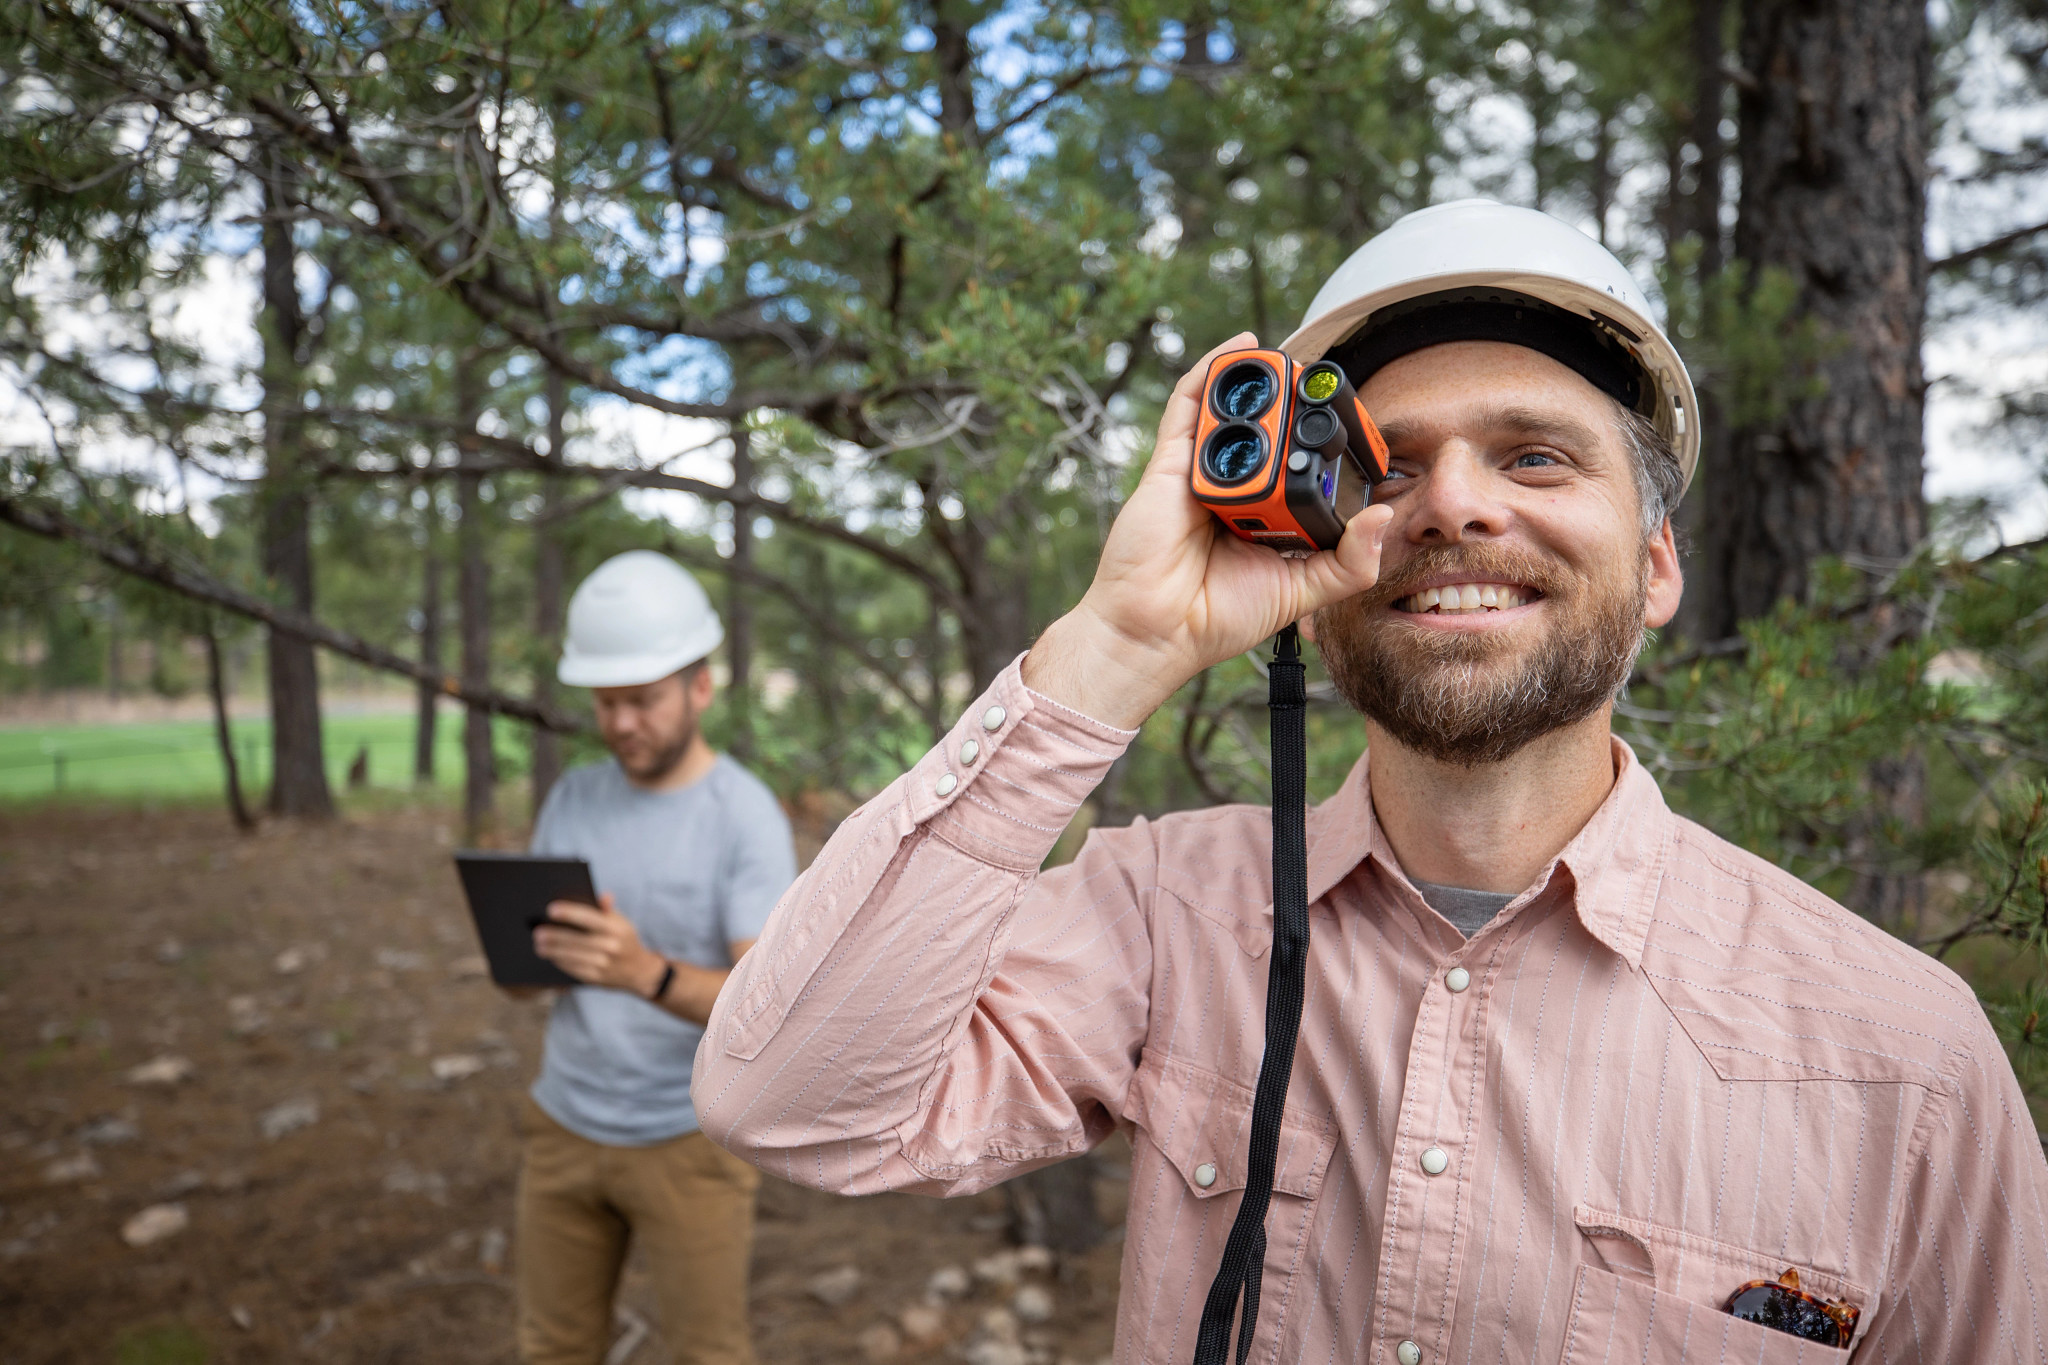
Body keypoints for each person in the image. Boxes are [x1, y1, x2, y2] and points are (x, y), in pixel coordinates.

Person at [693, 200, 2048, 1362]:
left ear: (1656, 569)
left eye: (1535, 454)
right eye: (1387, 468)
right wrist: (1114, 650)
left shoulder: (1902, 1063)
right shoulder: (1166, 919)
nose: (1453, 506)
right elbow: (793, 1106)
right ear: (1311, 550)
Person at [511, 550, 796, 1365]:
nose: (622, 722)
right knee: (550, 1347)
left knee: (709, 1353)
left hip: (689, 1137)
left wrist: (644, 972)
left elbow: (764, 1002)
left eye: (642, 701)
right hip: (563, 1123)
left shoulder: (743, 816)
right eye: (606, 703)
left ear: (700, 687)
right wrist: (523, 958)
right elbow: (524, 984)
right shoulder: (574, 795)